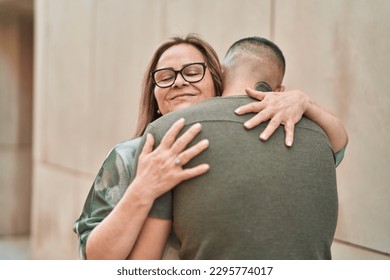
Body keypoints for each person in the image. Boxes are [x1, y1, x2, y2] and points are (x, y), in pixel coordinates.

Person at [73, 34, 347, 260]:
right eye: (166, 76)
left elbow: (336, 146)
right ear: (154, 97)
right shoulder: (127, 155)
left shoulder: (260, 133)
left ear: (218, 83)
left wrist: (303, 101)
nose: (179, 81)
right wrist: (143, 188)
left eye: (192, 72)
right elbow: (93, 259)